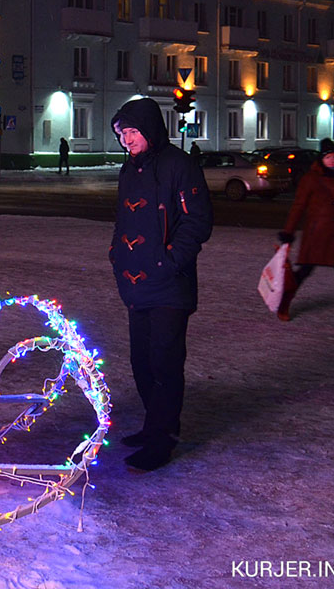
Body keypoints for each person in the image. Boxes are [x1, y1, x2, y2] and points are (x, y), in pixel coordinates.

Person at [109, 97, 213, 471]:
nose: (127, 140)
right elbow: (123, 220)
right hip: (136, 284)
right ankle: (154, 425)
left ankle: (163, 438)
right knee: (141, 362)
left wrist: (169, 261)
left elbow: (197, 222)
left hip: (170, 285)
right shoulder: (129, 170)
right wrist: (117, 254)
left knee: (165, 362)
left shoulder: (179, 166)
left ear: (150, 130)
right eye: (122, 134)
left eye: (132, 132)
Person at [276, 139, 334, 330]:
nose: (333, 161)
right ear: (322, 159)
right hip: (317, 234)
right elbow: (298, 207)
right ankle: (284, 303)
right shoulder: (311, 179)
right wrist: (288, 233)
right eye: (328, 157)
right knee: (305, 271)